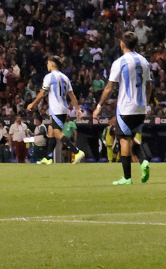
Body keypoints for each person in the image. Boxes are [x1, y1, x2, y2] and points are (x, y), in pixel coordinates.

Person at [93, 31, 151, 185]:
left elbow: (109, 88)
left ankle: (127, 177)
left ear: (122, 43)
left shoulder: (120, 62)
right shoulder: (144, 61)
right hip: (141, 108)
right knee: (131, 138)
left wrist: (99, 106)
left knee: (124, 140)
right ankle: (143, 161)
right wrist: (146, 104)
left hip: (126, 108)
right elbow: (149, 86)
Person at [27, 56, 85, 164]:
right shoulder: (65, 77)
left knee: (57, 133)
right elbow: (72, 96)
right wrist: (78, 109)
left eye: (48, 63)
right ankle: (48, 158)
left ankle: (76, 152)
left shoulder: (49, 77)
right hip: (63, 108)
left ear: (52, 64)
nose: (47, 65)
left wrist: (33, 103)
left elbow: (42, 93)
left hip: (56, 109)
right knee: (51, 131)